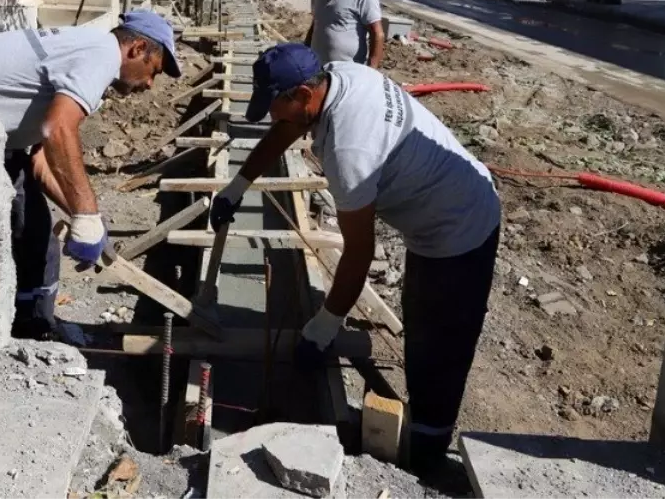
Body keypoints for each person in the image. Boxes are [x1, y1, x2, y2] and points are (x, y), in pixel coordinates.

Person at [210, 43, 501, 487]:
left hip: (461, 229)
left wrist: (325, 326)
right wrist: (237, 185)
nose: (273, 118)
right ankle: (419, 436)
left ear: (305, 95)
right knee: (421, 327)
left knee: (440, 347)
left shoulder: (350, 151)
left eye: (277, 107)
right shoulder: (337, 76)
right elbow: (288, 128)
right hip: (436, 217)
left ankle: (424, 467)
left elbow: (359, 252)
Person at [0, 10, 181, 340]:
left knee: (37, 237)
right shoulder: (101, 53)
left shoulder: (88, 55)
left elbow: (42, 164)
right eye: (153, 70)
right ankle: (13, 330)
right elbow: (58, 128)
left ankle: (33, 326)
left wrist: (87, 219)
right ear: (137, 48)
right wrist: (86, 213)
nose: (149, 83)